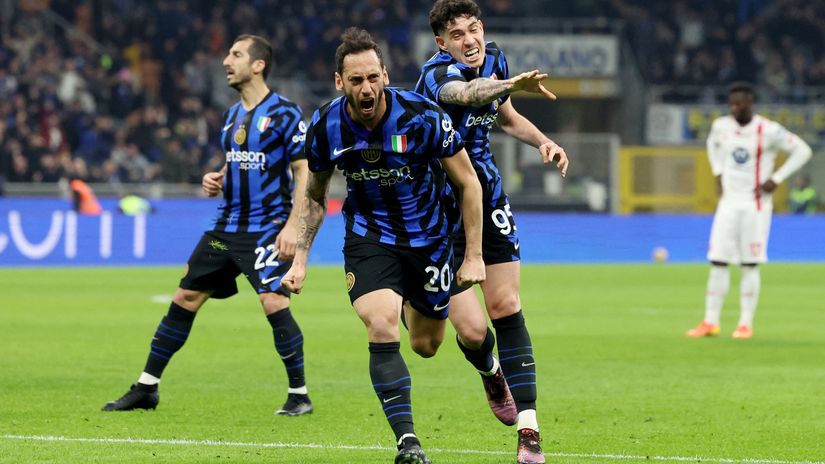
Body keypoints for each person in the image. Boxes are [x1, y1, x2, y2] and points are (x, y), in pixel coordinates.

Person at [281, 28, 484, 464]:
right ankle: (408, 443)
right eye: (356, 80)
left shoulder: (422, 116)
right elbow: (315, 196)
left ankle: (479, 358)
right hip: (369, 237)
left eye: (373, 77)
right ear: (340, 82)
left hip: (429, 240)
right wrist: (300, 259)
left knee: (426, 345)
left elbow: (469, 182)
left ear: (385, 76)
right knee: (380, 323)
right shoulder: (326, 126)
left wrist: (473, 255)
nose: (366, 88)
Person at [102, 34, 313, 416]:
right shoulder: (231, 117)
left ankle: (299, 395)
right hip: (225, 227)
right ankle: (147, 387)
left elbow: (304, 170)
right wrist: (218, 177)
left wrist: (292, 227)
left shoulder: (285, 113)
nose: (226, 62)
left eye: (236, 55)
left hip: (266, 226)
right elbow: (238, 161)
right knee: (185, 298)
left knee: (273, 301)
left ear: (259, 65)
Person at [414, 2, 568, 463]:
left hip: (488, 198)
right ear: (442, 43)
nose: (469, 40)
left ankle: (529, 432)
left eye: (474, 29)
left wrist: (543, 140)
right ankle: (489, 369)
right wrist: (507, 84)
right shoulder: (436, 76)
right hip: (438, 209)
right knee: (466, 332)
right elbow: (468, 94)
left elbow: (505, 116)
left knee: (506, 305)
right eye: (457, 34)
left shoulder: (496, 57)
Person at [687, 82, 812, 340]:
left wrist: (777, 178)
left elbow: (803, 151)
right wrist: (717, 172)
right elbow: (712, 145)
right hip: (728, 204)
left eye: (739, 103)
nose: (734, 108)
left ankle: (745, 324)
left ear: (750, 104)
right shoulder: (721, 126)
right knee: (717, 260)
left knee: (749, 264)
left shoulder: (769, 130)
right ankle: (710, 322)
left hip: (755, 206)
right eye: (731, 103)